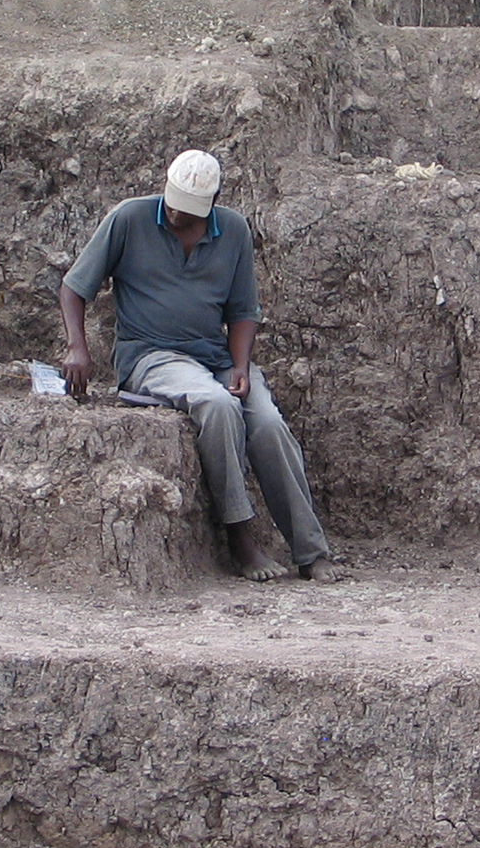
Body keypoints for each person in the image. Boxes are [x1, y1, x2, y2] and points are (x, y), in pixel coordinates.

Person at [58, 151, 339, 583]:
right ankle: (240, 539)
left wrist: (240, 365)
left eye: (187, 211)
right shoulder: (129, 219)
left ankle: (310, 551)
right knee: (215, 404)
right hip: (151, 355)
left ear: (212, 205)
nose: (175, 214)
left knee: (267, 423)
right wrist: (77, 347)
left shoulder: (233, 231)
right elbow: (74, 287)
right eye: (171, 203)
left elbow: (244, 310)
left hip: (215, 355)